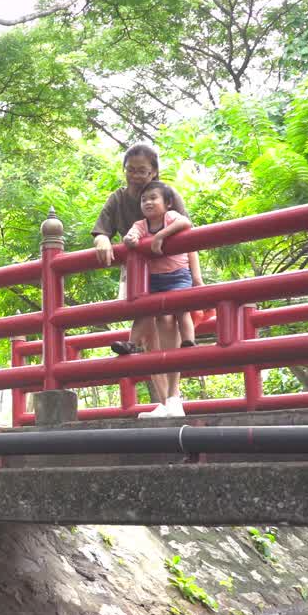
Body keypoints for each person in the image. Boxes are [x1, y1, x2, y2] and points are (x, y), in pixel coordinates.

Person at [91, 144, 204, 403]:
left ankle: (174, 395)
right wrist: (103, 240)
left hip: (172, 270)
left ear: (154, 172)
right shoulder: (117, 199)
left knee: (168, 322)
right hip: (138, 273)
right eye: (130, 170)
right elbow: (101, 231)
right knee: (147, 333)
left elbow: (189, 235)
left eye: (142, 170)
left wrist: (196, 278)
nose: (135, 175)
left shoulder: (167, 194)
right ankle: (164, 400)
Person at [123, 180, 194, 418]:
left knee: (173, 317)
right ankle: (166, 403)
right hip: (148, 281)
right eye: (145, 199)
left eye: (153, 198)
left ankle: (174, 397)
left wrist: (160, 236)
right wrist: (131, 239)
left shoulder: (172, 214)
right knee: (147, 328)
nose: (148, 202)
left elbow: (188, 229)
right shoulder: (134, 216)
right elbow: (129, 235)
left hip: (176, 277)